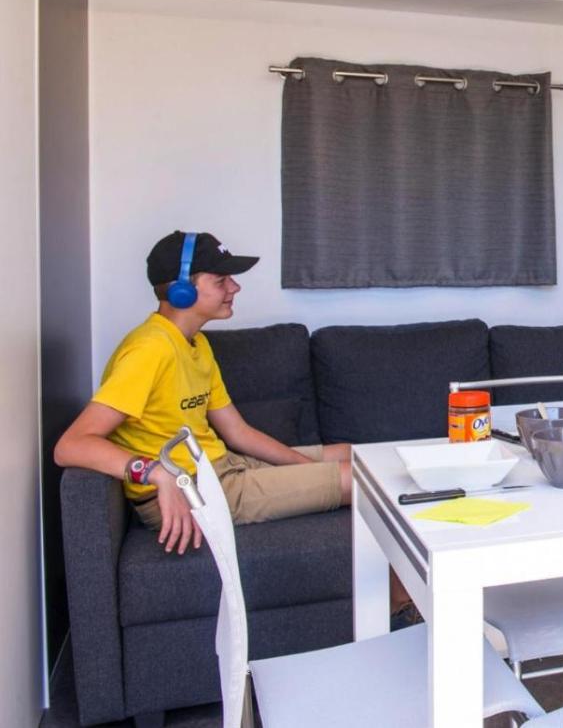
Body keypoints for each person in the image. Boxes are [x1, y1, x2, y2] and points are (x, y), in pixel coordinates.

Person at [54, 230, 351, 555]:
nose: (235, 288)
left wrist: (305, 466)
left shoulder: (196, 344)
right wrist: (158, 474)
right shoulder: (149, 350)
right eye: (221, 281)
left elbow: (238, 433)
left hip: (222, 467)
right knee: (363, 482)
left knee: (354, 454)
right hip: (195, 490)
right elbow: (71, 445)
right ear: (181, 291)